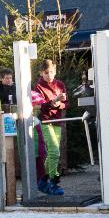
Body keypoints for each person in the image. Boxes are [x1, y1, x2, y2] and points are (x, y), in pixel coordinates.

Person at [33, 59, 67, 195]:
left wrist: (59, 104)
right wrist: (52, 103)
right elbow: (39, 106)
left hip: (57, 121)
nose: (49, 75)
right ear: (41, 73)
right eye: (46, 73)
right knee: (54, 152)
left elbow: (67, 103)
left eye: (51, 72)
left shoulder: (60, 84)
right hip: (45, 121)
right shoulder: (38, 87)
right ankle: (54, 182)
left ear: (55, 71)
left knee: (53, 154)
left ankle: (43, 179)